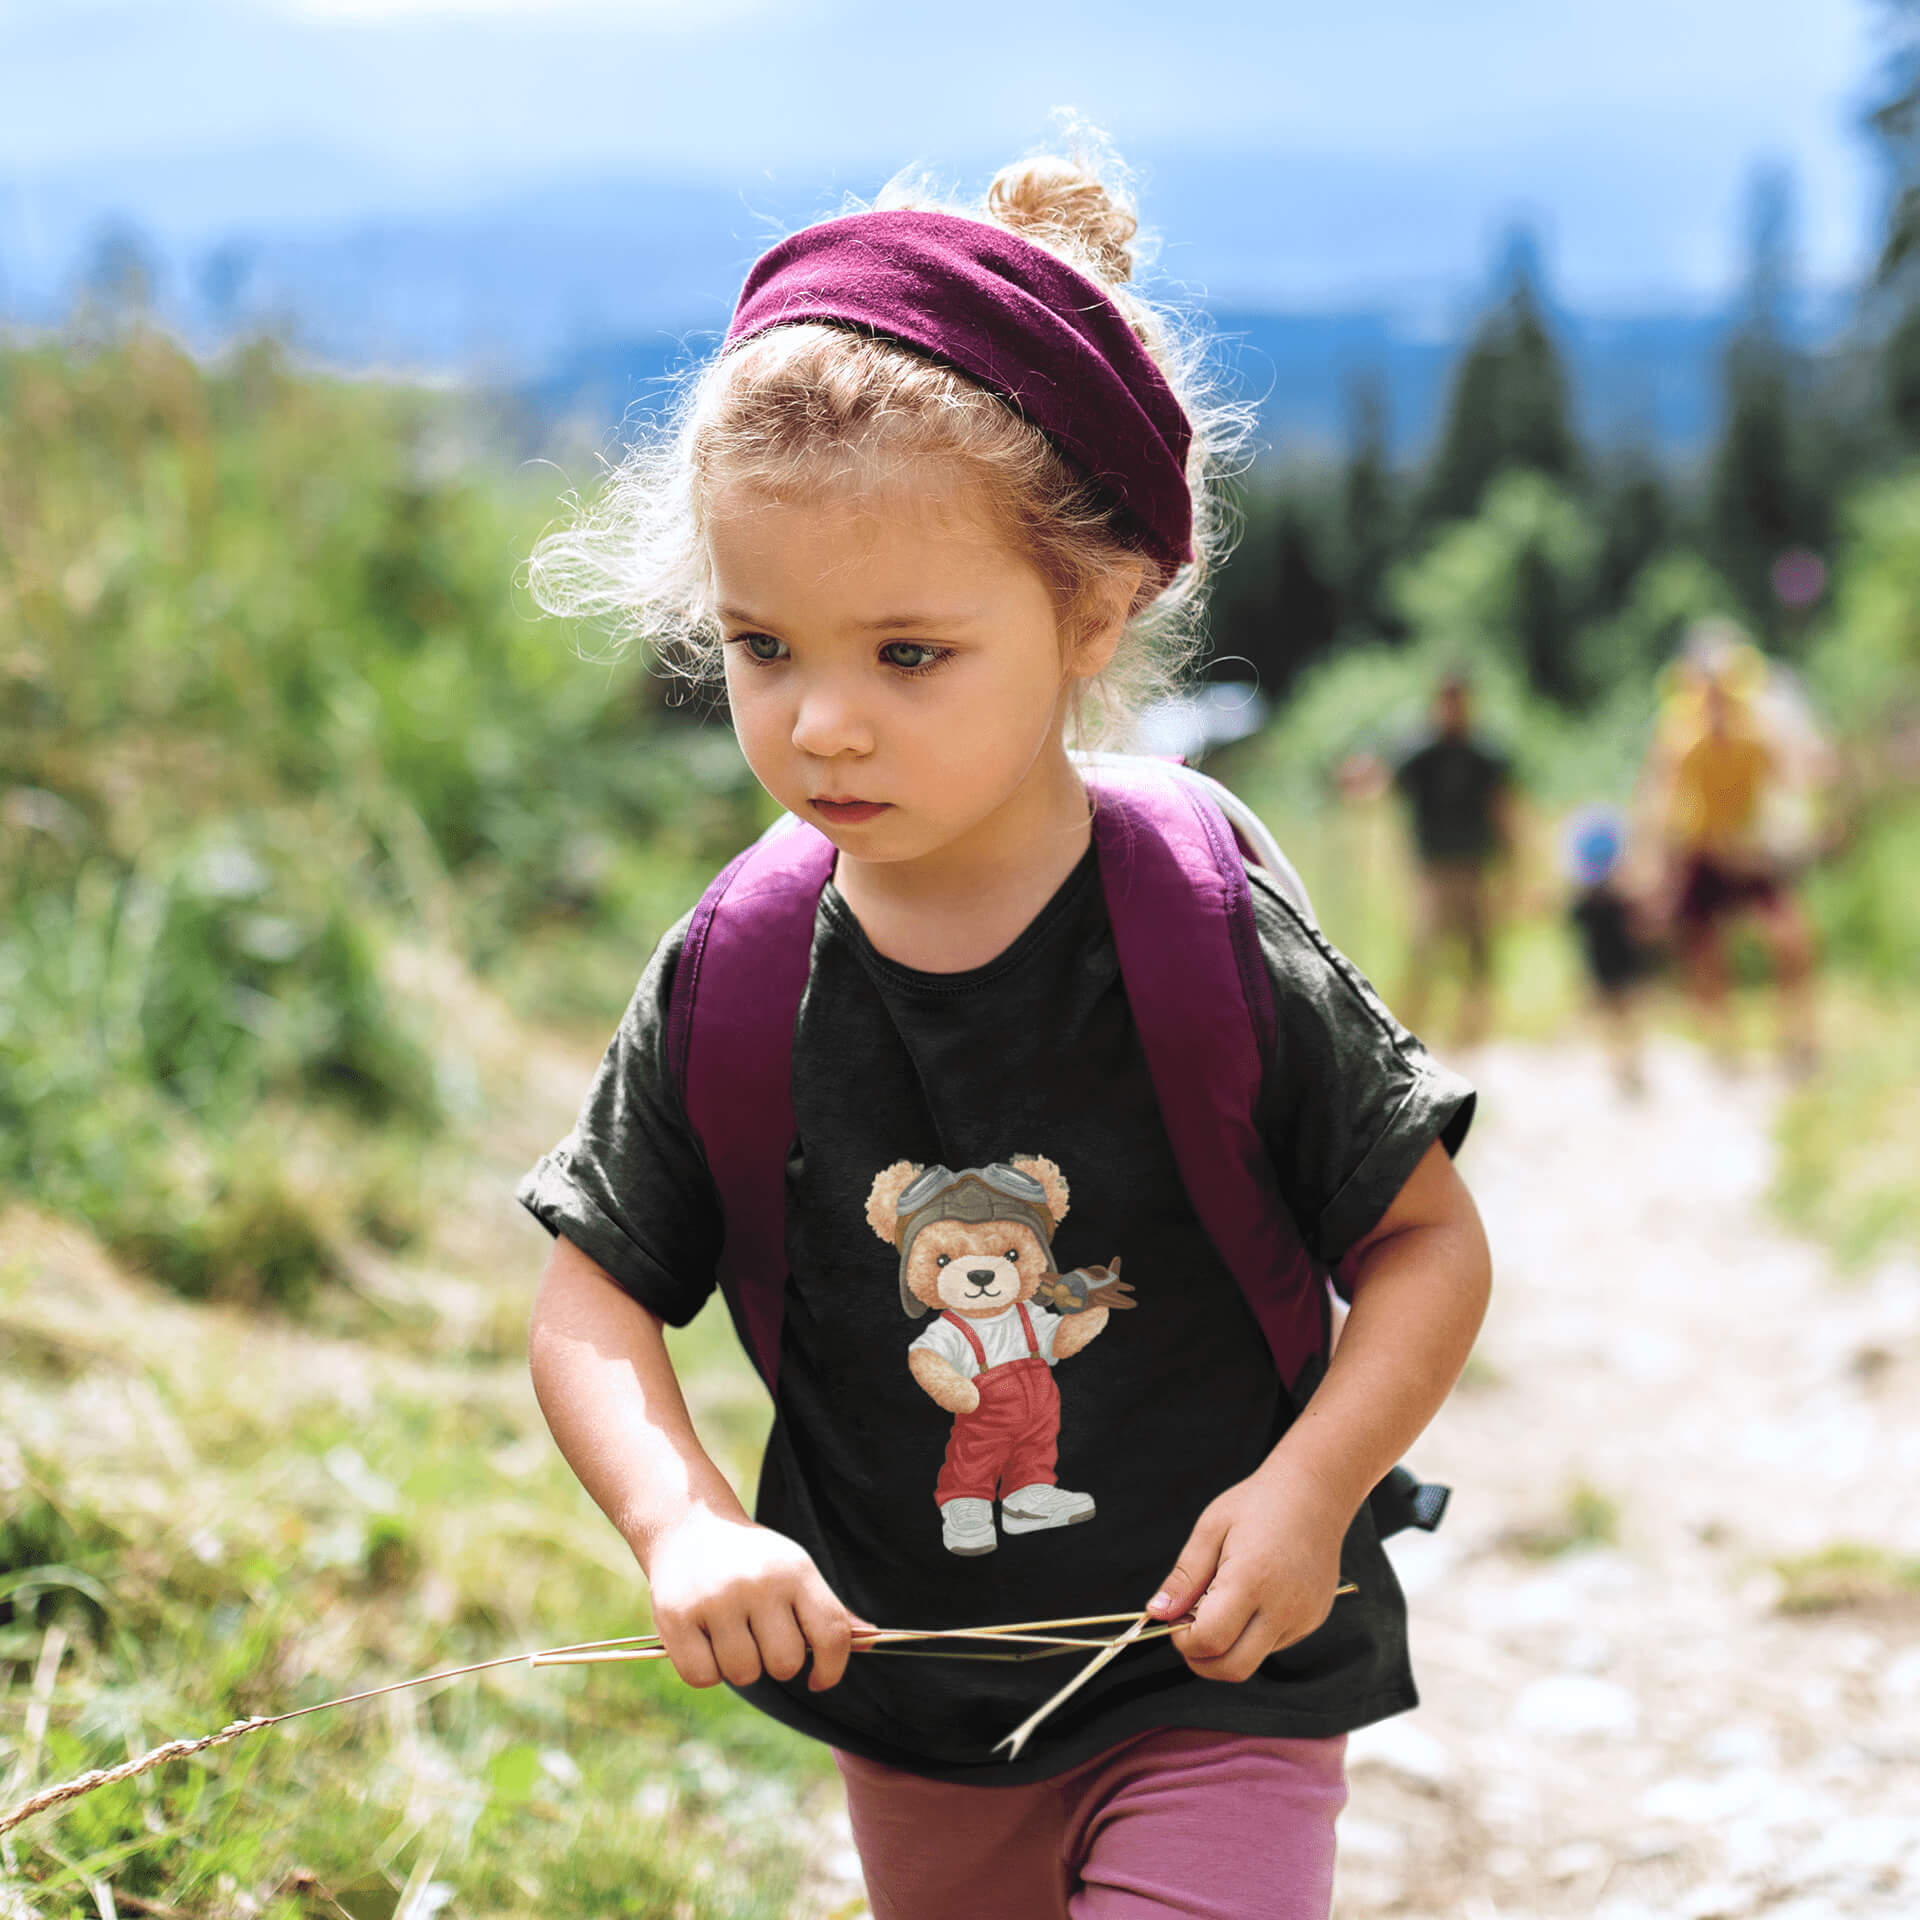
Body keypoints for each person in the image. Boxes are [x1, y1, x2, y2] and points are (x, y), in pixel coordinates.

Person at [515, 142, 1491, 1920]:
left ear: (1092, 613)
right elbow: (591, 1297)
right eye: (762, 646)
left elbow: (1426, 1245)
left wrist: (1310, 1494)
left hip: (1224, 1671)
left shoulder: (1198, 926)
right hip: (916, 1708)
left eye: (908, 656)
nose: (821, 724)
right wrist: (684, 1522)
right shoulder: (737, 966)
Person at [1651, 638, 1818, 1072]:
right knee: (1704, 951)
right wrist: (1661, 869)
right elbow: (1663, 801)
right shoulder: (1681, 740)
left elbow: (1790, 783)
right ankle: (1723, 1042)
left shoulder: (1757, 736)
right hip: (1701, 852)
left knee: (1791, 938)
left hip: (1749, 851)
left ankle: (1795, 1035)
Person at [1391, 675, 1514, 1046]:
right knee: (1425, 950)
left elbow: (1503, 809)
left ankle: (1471, 1032)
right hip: (1433, 870)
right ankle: (1411, 1027)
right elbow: (1388, 789)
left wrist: (1512, 864)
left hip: (1474, 867)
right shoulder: (1420, 755)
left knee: (1478, 951)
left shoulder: (1483, 756)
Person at [1564, 806, 1653, 1095]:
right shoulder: (1604, 902)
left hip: (1618, 966)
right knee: (1616, 1017)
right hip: (1608, 967)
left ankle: (1627, 1064)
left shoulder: (1607, 901)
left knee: (1622, 1016)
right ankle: (1622, 1065)